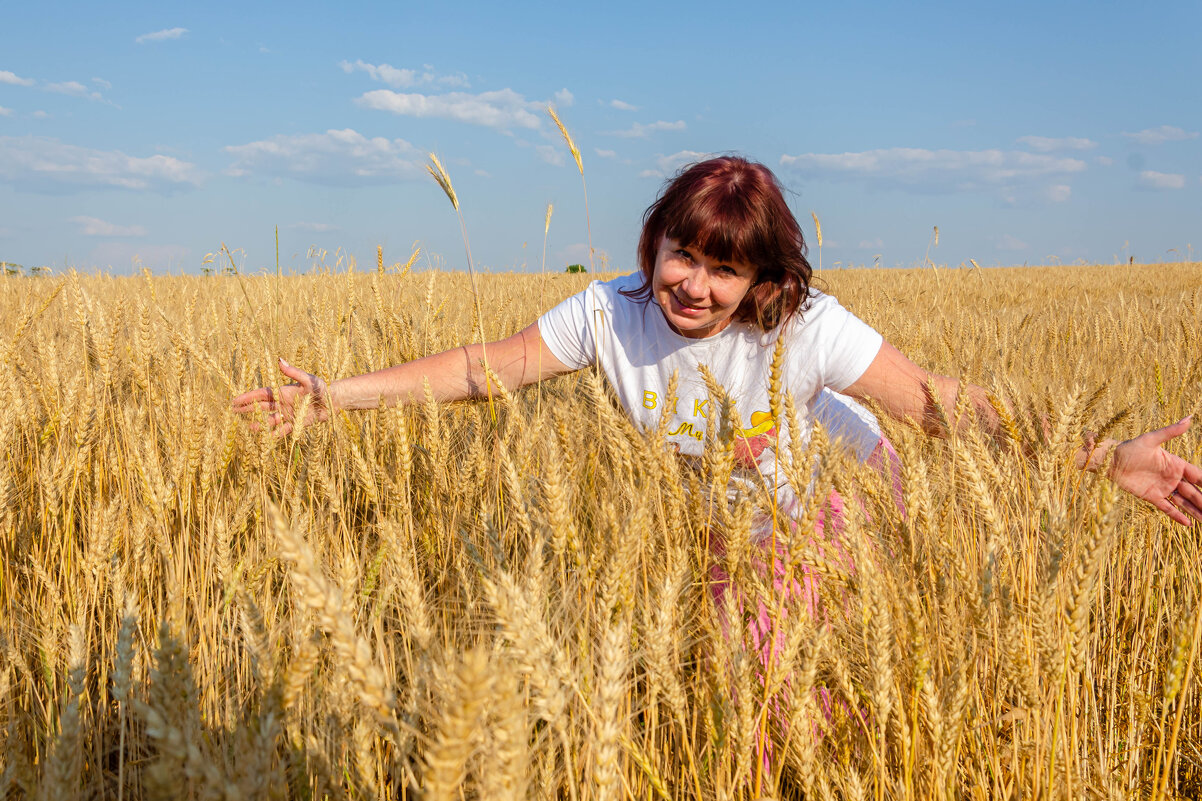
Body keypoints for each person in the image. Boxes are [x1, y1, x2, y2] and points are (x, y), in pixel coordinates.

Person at [232, 155, 1202, 529]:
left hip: (837, 500)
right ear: (651, 243)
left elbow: (940, 407)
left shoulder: (807, 328)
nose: (691, 285)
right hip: (721, 520)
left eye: (723, 270)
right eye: (679, 253)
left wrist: (1096, 456)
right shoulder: (604, 312)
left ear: (760, 282)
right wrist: (332, 397)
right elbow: (482, 373)